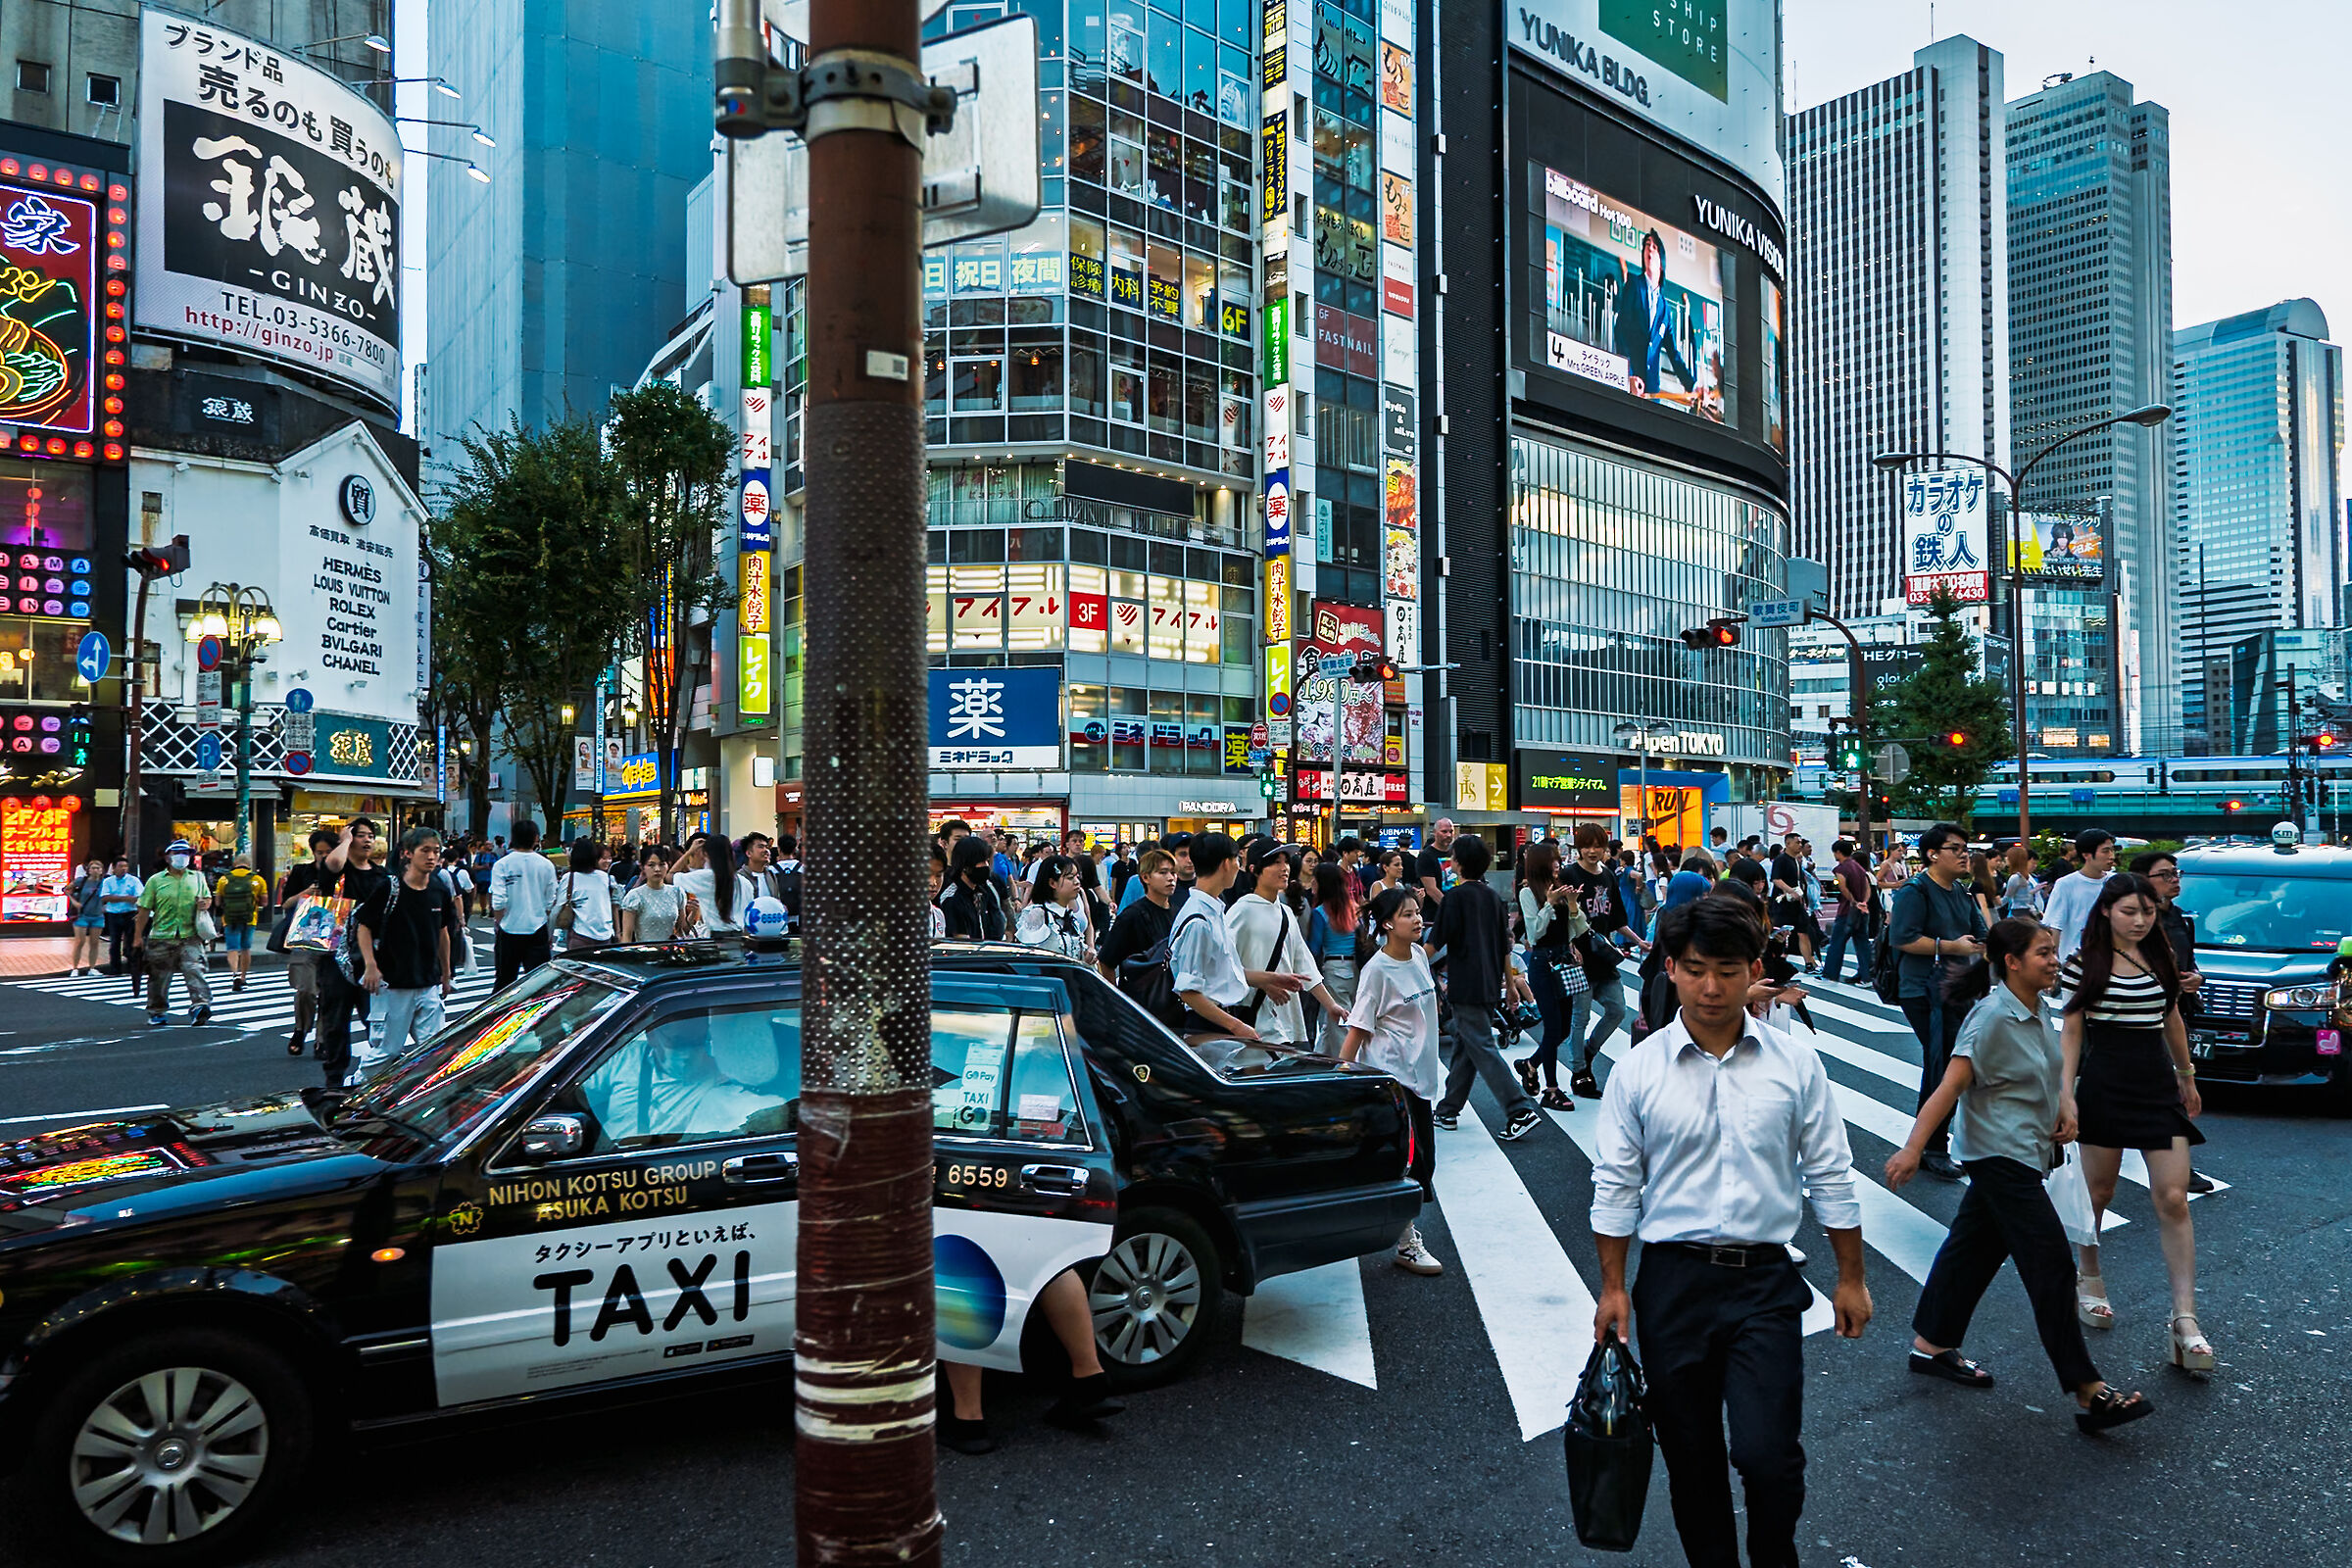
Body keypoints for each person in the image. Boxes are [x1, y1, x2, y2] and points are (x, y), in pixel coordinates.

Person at [1591, 896, 1869, 1568]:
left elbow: (1831, 1172)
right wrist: (1612, 1290)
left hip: (1764, 1281)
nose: (1711, 987)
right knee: (1691, 1458)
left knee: (1767, 1454)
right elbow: (1615, 1184)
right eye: (1694, 969)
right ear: (1670, 970)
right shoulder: (1640, 1069)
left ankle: (1776, 1556)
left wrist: (1850, 1277)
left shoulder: (1793, 1064)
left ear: (1754, 971)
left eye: (1727, 969)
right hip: (1673, 1283)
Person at [1886, 918, 2155, 1434]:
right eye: (2044, 953)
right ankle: (2087, 1390)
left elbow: (2044, 1070)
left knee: (1973, 1249)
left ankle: (1931, 1344)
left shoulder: (2038, 1007)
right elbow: (1950, 1085)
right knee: (2051, 1263)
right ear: (2011, 962)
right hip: (1997, 1155)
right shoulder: (1990, 1018)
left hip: (2026, 1150)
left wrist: (2063, 1107)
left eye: (2054, 952)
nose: (2055, 961)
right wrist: (1913, 1148)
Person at [2058, 874, 2210, 1371]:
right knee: (2098, 1193)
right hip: (2103, 1083)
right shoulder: (2084, 964)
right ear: (2105, 912)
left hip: (2154, 1085)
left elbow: (2171, 1017)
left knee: (2172, 1196)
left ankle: (2184, 1318)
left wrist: (2186, 1075)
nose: (2141, 920)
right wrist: (2066, 1095)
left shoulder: (2163, 956)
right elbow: (2072, 1032)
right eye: (2129, 911)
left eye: (2147, 911)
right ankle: (2089, 1274)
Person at [1340, 886, 1446, 1275]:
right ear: (1387, 924)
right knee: (1407, 1165)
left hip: (1420, 1079)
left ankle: (1385, 1229)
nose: (1417, 919)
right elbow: (1357, 1029)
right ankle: (1406, 1242)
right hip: (1392, 1082)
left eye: (1418, 912)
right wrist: (1342, 1078)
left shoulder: (1418, 954)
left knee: (1423, 1164)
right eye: (1407, 914)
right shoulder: (1377, 971)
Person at [1887, 822, 1988, 1180]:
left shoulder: (1959, 890)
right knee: (1944, 1065)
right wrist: (1950, 946)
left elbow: (1980, 932)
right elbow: (1902, 938)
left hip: (1957, 987)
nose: (1965, 855)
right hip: (1923, 989)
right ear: (1933, 854)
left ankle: (1932, 1143)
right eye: (1956, 848)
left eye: (1965, 848)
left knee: (1946, 1064)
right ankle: (1932, 1147)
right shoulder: (1916, 891)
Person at [1429, 833, 1543, 1141]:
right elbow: (1506, 946)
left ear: (1458, 863)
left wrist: (1405, 966)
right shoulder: (1492, 897)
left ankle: (1519, 1109)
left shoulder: (1454, 897)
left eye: (1452, 858)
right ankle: (1448, 1110)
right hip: (1491, 982)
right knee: (1468, 1047)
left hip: (1465, 984)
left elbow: (1434, 943)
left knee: (1480, 1045)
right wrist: (1510, 985)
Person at [2131, 849, 2215, 1195]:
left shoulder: (2180, 918)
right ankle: (2177, 1165)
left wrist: (2197, 978)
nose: (2174, 880)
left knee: (2167, 1088)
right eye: (2165, 874)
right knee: (2162, 1089)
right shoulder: (2136, 924)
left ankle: (2175, 1162)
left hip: (2178, 1012)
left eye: (2175, 873)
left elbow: (2189, 962)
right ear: (2142, 882)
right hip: (2143, 1018)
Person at [350, 826, 460, 1081]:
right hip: (393, 984)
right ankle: (357, 1086)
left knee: (434, 1051)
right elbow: (364, 926)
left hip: (428, 983)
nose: (432, 857)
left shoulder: (439, 889)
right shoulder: (389, 888)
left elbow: (443, 932)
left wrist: (446, 973)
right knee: (388, 1051)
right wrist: (370, 965)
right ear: (408, 853)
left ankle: (419, 1097)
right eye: (425, 851)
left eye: (436, 851)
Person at [1225, 842, 1340, 1047]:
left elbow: (1303, 962)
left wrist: (1330, 1005)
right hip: (1253, 1017)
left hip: (1288, 1016)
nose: (1284, 868)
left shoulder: (1286, 912)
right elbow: (1225, 966)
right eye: (1275, 863)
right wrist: (1262, 982)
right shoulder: (1241, 911)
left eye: (1286, 862)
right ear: (1254, 870)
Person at [309, 819, 393, 1085]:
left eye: (371, 836)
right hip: (337, 954)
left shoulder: (381, 875)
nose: (368, 841)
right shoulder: (339, 871)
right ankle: (334, 1078)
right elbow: (331, 864)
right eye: (361, 836)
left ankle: (377, 1076)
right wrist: (343, 840)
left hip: (371, 957)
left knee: (376, 1019)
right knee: (336, 1019)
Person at [1562, 821, 1643, 1095]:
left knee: (1617, 1009)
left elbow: (1617, 917)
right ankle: (1579, 1073)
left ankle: (1589, 1051)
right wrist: (1569, 945)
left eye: (1598, 845)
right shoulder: (1568, 874)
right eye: (1587, 845)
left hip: (1604, 957)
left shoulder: (1608, 876)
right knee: (1580, 1017)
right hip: (1579, 959)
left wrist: (1639, 940)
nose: (1592, 850)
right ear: (1578, 848)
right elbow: (1559, 916)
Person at [1512, 838, 1591, 1112]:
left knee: (1565, 1028)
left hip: (1563, 961)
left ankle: (1530, 1065)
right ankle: (1551, 1089)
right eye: (1553, 859)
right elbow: (1534, 934)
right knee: (1552, 1027)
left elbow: (1578, 929)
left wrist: (1571, 903)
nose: (1558, 863)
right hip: (1543, 963)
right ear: (1540, 864)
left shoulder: (1560, 888)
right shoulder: (1527, 893)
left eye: (1559, 859)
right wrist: (1548, 903)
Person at [1167, 832, 1268, 1038]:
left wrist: (1271, 979)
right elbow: (1188, 992)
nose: (1238, 867)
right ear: (1225, 864)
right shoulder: (1199, 920)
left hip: (1218, 1020)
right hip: (1206, 1024)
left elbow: (1221, 972)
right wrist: (1237, 1027)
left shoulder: (1212, 910)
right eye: (1236, 860)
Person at [134, 841, 214, 1028]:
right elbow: (144, 909)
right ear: (168, 857)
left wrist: (206, 903)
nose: (182, 856)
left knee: (195, 971)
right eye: (178, 853)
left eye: (186, 853)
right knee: (159, 977)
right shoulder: (156, 880)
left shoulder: (197, 877)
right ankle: (157, 1011)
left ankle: (200, 1006)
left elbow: (207, 897)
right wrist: (137, 937)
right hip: (162, 935)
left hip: (190, 935)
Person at [1611, 228, 1698, 399]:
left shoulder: (1665, 308)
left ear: (1661, 260)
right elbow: (1620, 330)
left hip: (1652, 390)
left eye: (1654, 247)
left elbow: (1673, 353)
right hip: (1631, 383)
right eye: (1646, 245)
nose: (1649, 249)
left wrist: (1692, 384)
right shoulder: (1634, 285)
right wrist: (1628, 374)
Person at [491, 817, 560, 987]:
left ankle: (502, 1013)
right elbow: (551, 902)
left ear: (513, 837)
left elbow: (499, 902)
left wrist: (499, 924)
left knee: (504, 983)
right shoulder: (546, 865)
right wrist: (548, 931)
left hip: (508, 930)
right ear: (536, 838)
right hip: (537, 928)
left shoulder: (502, 865)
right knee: (539, 985)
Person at [1306, 861, 1363, 1055]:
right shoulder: (1352, 907)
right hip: (1355, 967)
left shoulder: (1320, 912)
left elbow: (1313, 947)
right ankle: (1322, 1059)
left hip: (1333, 967)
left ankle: (1345, 1065)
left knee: (1338, 1021)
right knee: (1339, 1020)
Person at [1097, 847, 1177, 980]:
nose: (1170, 878)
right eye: (1163, 873)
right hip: (1138, 995)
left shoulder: (1177, 911)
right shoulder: (1132, 915)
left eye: (1173, 873)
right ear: (1145, 877)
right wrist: (1117, 998)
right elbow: (1106, 962)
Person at [2041, 828, 2117, 962]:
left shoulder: (2116, 882)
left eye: (2112, 850)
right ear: (2086, 855)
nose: (2111, 856)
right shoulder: (2066, 884)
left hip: (2111, 961)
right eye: (2105, 851)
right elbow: (2054, 927)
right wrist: (2053, 962)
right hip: (2075, 964)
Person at [1015, 855, 1097, 962]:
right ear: (1052, 883)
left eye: (1077, 877)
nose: (1077, 882)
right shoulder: (1038, 914)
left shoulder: (1069, 916)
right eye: (1070, 878)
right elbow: (1028, 961)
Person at [1819, 838, 1875, 984]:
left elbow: (1843, 887)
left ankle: (1830, 974)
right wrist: (1864, 902)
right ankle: (1868, 976)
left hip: (1847, 911)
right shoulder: (1859, 867)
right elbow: (1867, 887)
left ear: (1838, 852)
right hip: (1862, 911)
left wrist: (1854, 902)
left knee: (1837, 942)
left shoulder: (1841, 868)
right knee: (1863, 943)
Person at [212, 852, 270, 992]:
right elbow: (265, 902)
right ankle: (243, 977)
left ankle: (234, 974)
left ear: (234, 865)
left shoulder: (224, 879)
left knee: (232, 948)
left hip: (230, 919)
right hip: (250, 919)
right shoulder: (257, 879)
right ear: (249, 865)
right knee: (245, 948)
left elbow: (218, 902)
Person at [552, 838, 618, 953]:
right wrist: (617, 932)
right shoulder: (604, 877)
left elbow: (557, 909)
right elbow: (613, 904)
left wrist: (549, 935)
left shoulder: (570, 878)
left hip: (581, 935)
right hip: (605, 935)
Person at [938, 835, 1009, 941]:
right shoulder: (952, 899)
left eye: (987, 861)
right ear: (965, 865)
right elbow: (961, 942)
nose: (985, 865)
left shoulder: (985, 890)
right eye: (981, 861)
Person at [99, 856, 141, 979]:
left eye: (125, 866)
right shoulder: (108, 881)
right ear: (114, 868)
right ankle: (115, 968)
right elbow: (105, 897)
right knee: (115, 942)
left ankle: (131, 968)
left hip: (130, 914)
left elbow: (138, 898)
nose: (123, 869)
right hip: (114, 914)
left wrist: (116, 898)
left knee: (130, 941)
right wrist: (125, 898)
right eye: (120, 866)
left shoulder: (134, 880)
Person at [66, 858, 107, 975]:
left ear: (101, 870)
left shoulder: (104, 882)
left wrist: (106, 906)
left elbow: (110, 895)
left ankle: (92, 968)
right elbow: (67, 889)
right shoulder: (81, 881)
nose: (95, 870)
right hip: (82, 915)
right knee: (80, 941)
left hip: (98, 915)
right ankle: (75, 968)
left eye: (98, 868)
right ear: (88, 870)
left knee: (95, 942)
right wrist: (74, 902)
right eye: (93, 868)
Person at [1414, 817, 1456, 906]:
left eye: (1451, 831)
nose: (1448, 835)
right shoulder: (1426, 856)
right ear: (1435, 833)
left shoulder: (1456, 852)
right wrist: (1450, 908)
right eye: (1444, 831)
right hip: (1435, 913)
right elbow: (1431, 890)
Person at [2000, 840, 2045, 922]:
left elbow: (2007, 897)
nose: (2006, 858)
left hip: (2017, 913)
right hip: (2027, 912)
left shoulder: (2014, 878)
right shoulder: (2024, 877)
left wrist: (1994, 906)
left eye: (2008, 856)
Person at [1966, 850, 2003, 932]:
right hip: (1993, 913)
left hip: (1985, 916)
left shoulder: (1977, 883)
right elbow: (1997, 901)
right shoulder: (1987, 880)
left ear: (1973, 864)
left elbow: (1983, 905)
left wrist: (1988, 926)